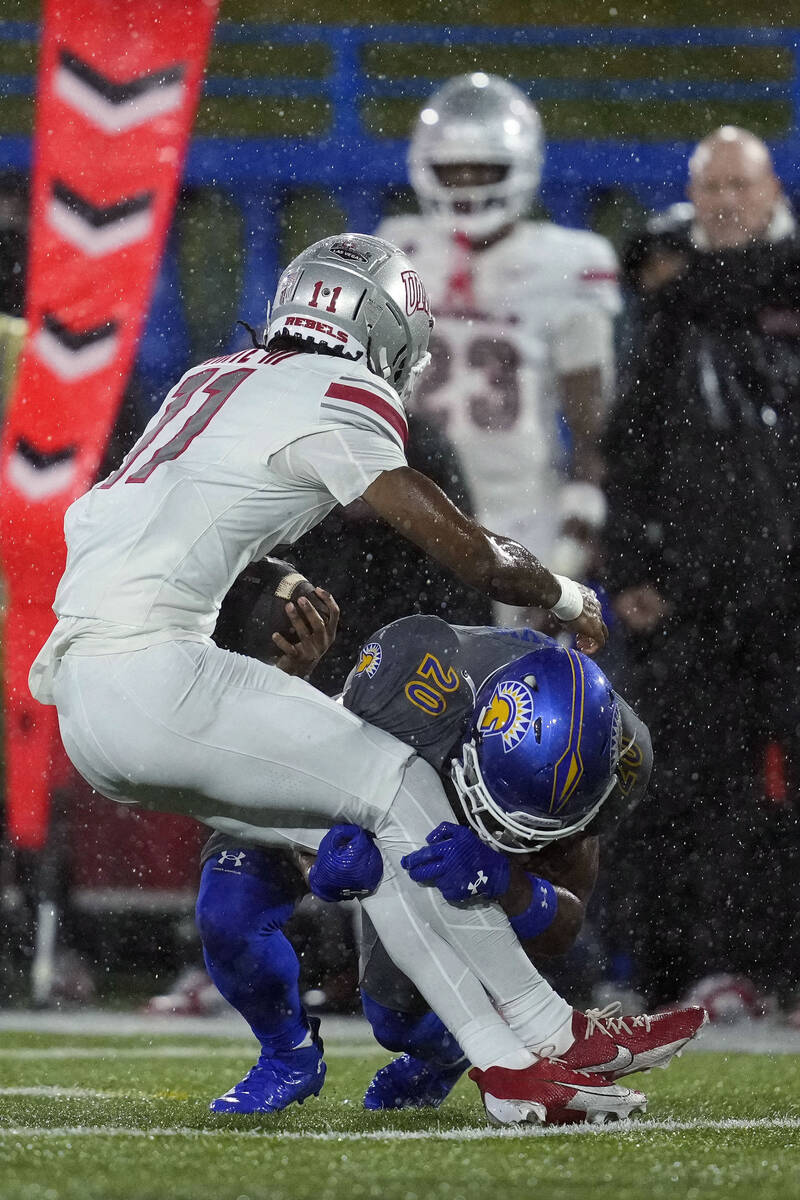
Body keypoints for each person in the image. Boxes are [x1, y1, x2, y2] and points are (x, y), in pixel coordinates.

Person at [28, 231, 644, 1128]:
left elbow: (158, 517)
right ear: (382, 328)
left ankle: (498, 1058)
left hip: (89, 703)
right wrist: (564, 593)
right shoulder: (340, 389)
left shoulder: (211, 378)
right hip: (156, 674)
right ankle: (538, 1043)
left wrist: (267, 580)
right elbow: (474, 558)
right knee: (400, 786)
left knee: (386, 829)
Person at [195, 587, 705, 1115]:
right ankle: (286, 1056)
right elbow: (312, 769)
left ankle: (448, 1053)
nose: (510, 831)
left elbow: (565, 924)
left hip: (444, 829)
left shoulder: (616, 760)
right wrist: (318, 853)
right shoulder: (412, 678)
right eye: (500, 808)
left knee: (398, 1019)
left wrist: (508, 884)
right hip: (338, 781)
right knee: (228, 911)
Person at [604, 127, 800, 1009]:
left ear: (768, 193)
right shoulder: (666, 301)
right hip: (701, 584)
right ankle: (709, 963)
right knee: (694, 777)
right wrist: (632, 561)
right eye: (710, 185)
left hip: (784, 578)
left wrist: (680, 282)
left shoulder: (683, 285)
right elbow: (631, 442)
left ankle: (754, 961)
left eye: (738, 185)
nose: (725, 200)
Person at [377, 73, 620, 598]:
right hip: (412, 510)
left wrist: (574, 538)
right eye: (453, 169)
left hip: (521, 516)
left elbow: (591, 427)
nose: (467, 183)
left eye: (482, 168)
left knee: (510, 676)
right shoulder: (398, 249)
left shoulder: (568, 263)